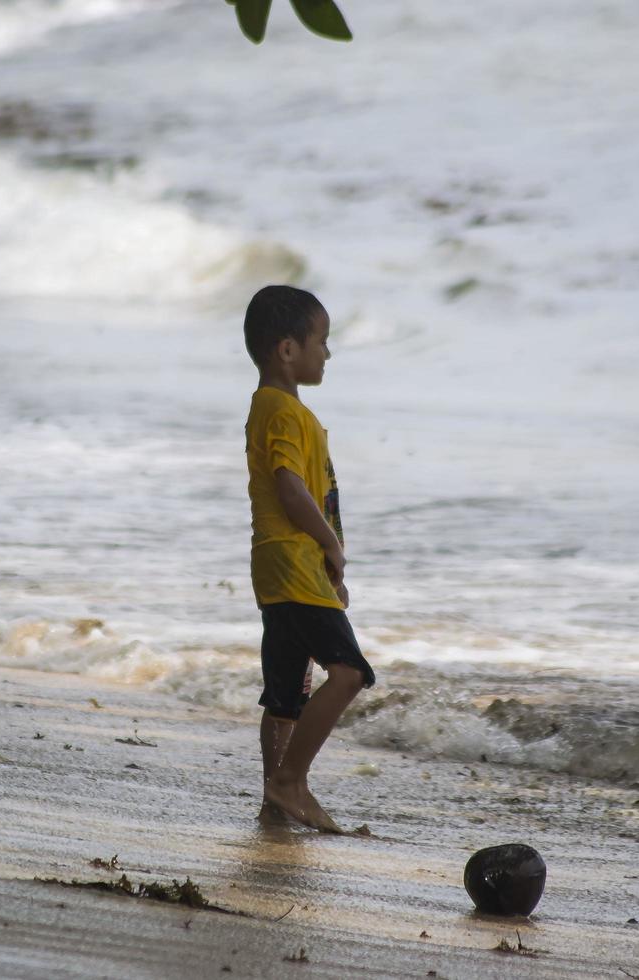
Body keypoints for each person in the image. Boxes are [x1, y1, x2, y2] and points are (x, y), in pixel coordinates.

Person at [242, 284, 376, 833]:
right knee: (347, 674)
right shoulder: (283, 411)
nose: (328, 352)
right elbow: (293, 489)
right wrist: (330, 547)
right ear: (288, 349)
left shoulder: (275, 407)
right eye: (322, 340)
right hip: (295, 561)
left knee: (286, 690)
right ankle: (290, 781)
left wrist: (326, 558)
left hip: (279, 565)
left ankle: (276, 793)